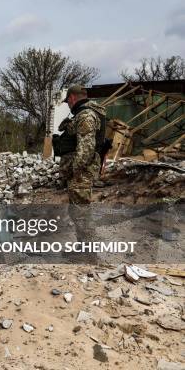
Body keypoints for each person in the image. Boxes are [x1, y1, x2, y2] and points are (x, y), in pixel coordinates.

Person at [56, 85, 107, 262]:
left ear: (71, 98)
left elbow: (86, 148)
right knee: (77, 210)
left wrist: (75, 170)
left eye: (67, 102)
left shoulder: (86, 115)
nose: (68, 106)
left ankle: (90, 255)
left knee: (81, 212)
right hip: (80, 172)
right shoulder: (85, 113)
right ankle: (83, 247)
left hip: (81, 173)